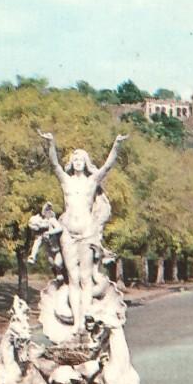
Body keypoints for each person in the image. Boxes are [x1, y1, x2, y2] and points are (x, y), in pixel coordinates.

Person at [36, 130, 127, 337]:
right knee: (73, 278)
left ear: (86, 162)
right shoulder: (65, 181)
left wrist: (116, 144)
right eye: (74, 159)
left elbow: (108, 165)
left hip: (87, 232)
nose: (77, 162)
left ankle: (86, 320)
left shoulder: (92, 181)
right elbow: (54, 165)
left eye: (80, 159)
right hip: (68, 233)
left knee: (86, 278)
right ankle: (77, 324)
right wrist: (51, 143)